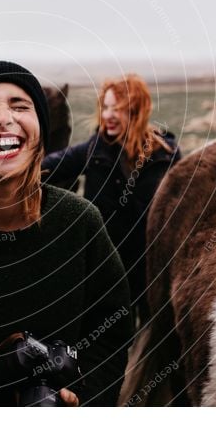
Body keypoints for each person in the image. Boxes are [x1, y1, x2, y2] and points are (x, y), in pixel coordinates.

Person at [0, 61, 131, 407]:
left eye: (20, 106)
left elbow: (112, 329)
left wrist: (83, 401)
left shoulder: (79, 223)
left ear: (39, 136)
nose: (3, 118)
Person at [42, 75, 181, 325]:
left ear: (137, 111)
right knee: (107, 334)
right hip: (105, 267)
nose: (108, 116)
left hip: (150, 266)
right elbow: (47, 168)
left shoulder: (166, 155)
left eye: (117, 109)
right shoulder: (93, 149)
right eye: (105, 108)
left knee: (154, 337)